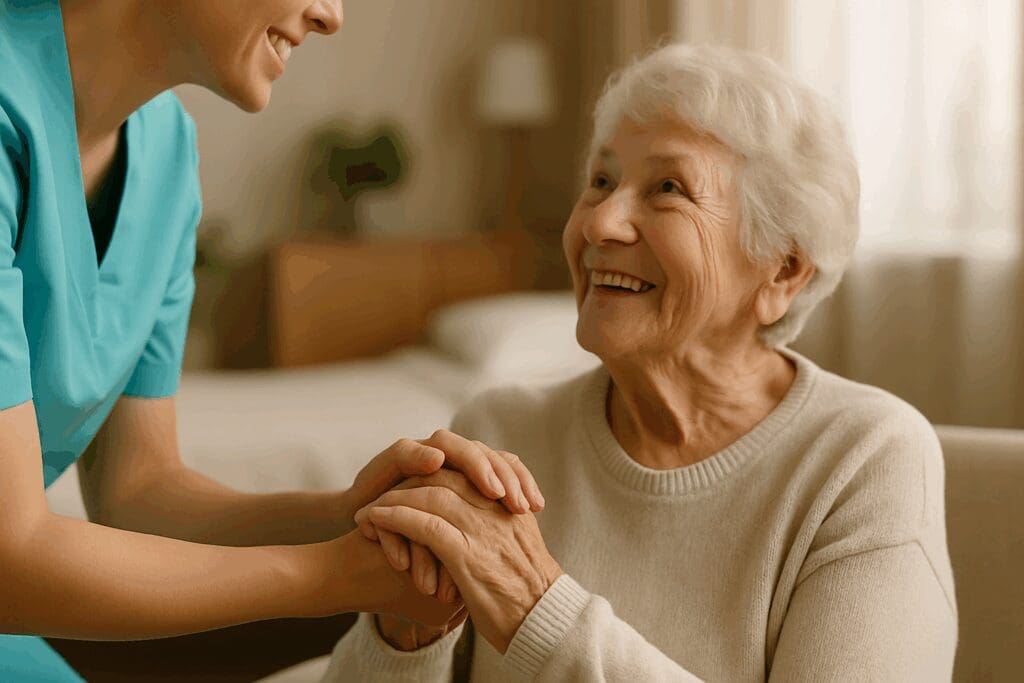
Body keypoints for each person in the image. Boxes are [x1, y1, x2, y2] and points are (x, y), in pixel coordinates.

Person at [326, 43, 959, 681]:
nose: (601, 222)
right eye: (601, 181)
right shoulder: (499, 431)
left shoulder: (864, 458)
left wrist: (535, 609)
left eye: (667, 189)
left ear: (782, 271)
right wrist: (404, 638)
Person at [0, 1, 544, 680]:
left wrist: (356, 517)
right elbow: (8, 555)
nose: (330, 14)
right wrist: (331, 575)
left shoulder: (167, 154)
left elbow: (139, 488)